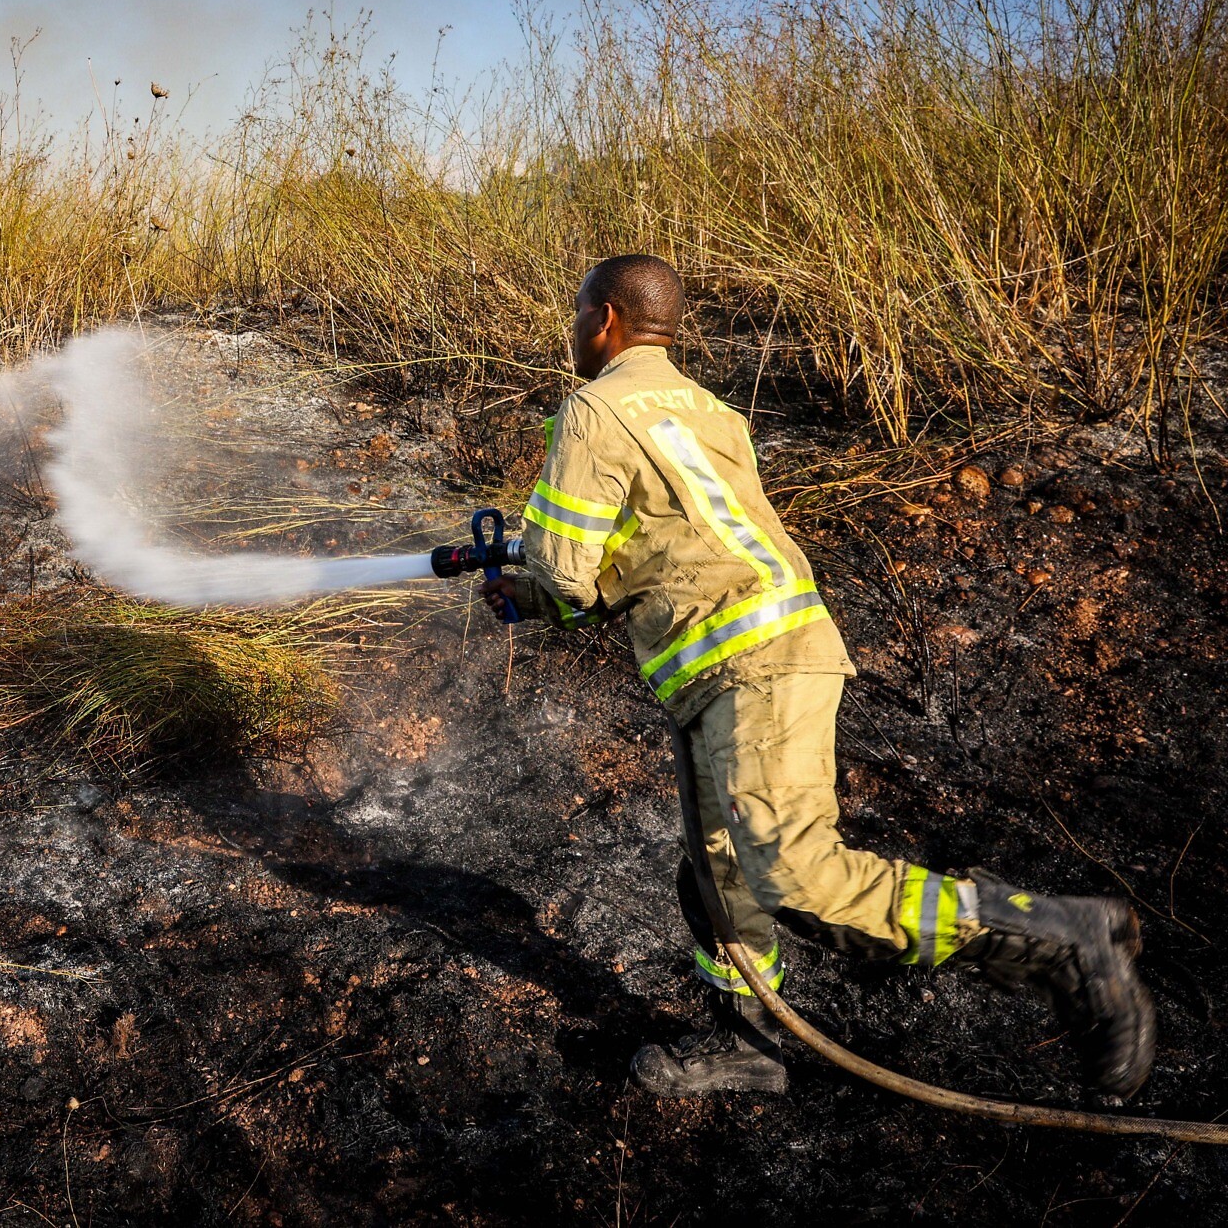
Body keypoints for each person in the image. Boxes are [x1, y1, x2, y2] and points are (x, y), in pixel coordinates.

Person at [481, 254, 1156, 1099]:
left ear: (607, 320)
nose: (573, 328)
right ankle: (750, 1040)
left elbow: (566, 575)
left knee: (796, 875)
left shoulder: (591, 410)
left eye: (578, 312)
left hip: (745, 665)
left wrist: (527, 590)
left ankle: (1056, 935)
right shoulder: (708, 411)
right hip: (771, 648)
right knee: (719, 870)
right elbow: (679, 538)